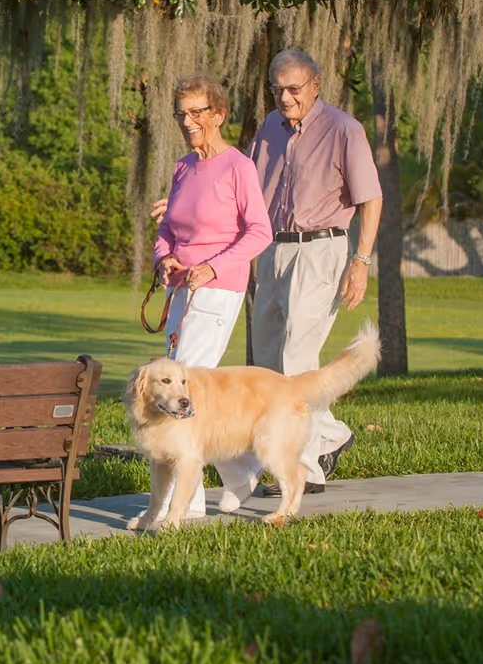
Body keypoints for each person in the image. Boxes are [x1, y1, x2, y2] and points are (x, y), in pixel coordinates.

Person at [247, 48, 382, 496]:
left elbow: (371, 199)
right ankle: (330, 435)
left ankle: (303, 468)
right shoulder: (268, 127)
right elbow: (246, 190)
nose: (285, 98)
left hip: (321, 249)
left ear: (316, 85)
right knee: (267, 365)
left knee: (296, 360)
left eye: (294, 89)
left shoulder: (345, 128)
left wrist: (360, 262)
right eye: (277, 89)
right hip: (271, 250)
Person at [149, 74, 273, 519]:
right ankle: (242, 474)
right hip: (182, 290)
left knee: (187, 391)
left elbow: (261, 231)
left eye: (197, 112)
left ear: (218, 114)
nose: (188, 121)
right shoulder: (184, 167)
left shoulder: (238, 165)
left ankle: (188, 504)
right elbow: (168, 229)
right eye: (181, 113)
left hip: (219, 289)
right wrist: (163, 259)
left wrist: (212, 265)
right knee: (193, 391)